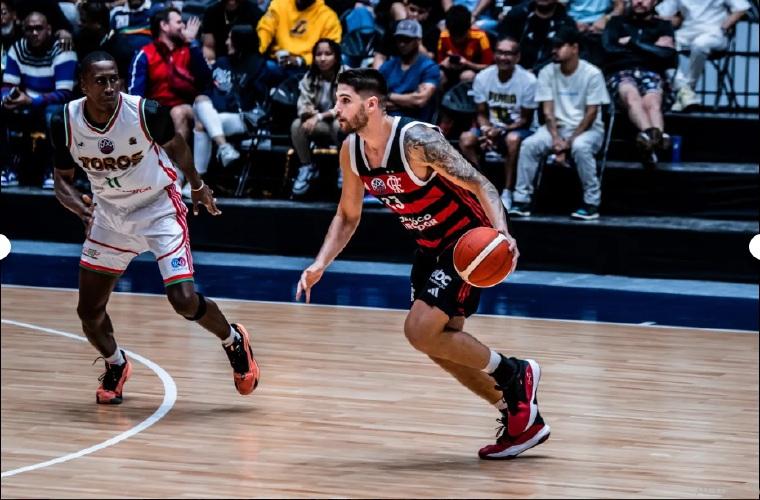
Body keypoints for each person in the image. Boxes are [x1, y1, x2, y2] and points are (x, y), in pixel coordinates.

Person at [296, 68, 550, 459]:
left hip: (466, 245)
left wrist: (502, 234)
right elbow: (347, 216)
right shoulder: (352, 151)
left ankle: (515, 372)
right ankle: (518, 416)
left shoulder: (416, 140)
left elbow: (481, 183)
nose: (337, 109)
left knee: (419, 331)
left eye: (344, 100)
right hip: (428, 248)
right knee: (440, 345)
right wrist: (320, 263)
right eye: (337, 100)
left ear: (371, 104)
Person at [50, 51, 260, 404]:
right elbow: (62, 181)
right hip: (109, 216)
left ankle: (233, 340)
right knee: (89, 311)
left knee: (184, 301)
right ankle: (116, 365)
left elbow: (177, 145)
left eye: (114, 79)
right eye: (100, 81)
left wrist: (197, 185)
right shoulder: (65, 121)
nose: (109, 87)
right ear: (83, 85)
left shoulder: (144, 111)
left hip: (158, 207)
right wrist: (81, 210)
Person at [511, 26, 610, 220]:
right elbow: (547, 111)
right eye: (553, 46)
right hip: (556, 129)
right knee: (530, 145)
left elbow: (591, 113)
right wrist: (556, 139)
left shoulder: (592, 73)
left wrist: (569, 142)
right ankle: (521, 200)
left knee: (581, 147)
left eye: (559, 46)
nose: (554, 50)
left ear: (574, 48)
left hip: (588, 130)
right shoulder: (547, 72)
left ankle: (591, 203)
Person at [458, 36, 536, 209]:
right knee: (466, 139)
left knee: (512, 139)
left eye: (508, 54)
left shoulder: (528, 80)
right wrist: (486, 129)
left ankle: (508, 191)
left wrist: (500, 130)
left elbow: (525, 119)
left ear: (517, 57)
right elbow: (481, 112)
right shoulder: (483, 77)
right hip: (492, 127)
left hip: (519, 129)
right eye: (500, 52)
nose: (503, 57)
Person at [602, 0, 677, 167]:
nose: (640, 2)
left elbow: (668, 56)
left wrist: (632, 43)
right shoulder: (616, 23)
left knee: (652, 102)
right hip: (621, 70)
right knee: (632, 95)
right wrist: (650, 48)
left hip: (651, 72)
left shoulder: (663, 26)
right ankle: (657, 139)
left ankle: (648, 142)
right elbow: (609, 50)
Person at [656, 0, 749, 111]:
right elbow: (664, 15)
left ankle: (687, 89)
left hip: (714, 33)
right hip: (686, 32)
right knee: (662, 46)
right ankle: (683, 90)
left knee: (700, 44)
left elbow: (742, 8)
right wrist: (675, 20)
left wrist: (724, 27)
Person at [290, 38, 347, 197]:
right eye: (318, 54)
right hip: (322, 123)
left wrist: (319, 116)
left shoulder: (347, 75)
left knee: (339, 125)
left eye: (328, 54)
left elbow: (344, 108)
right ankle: (307, 166)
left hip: (345, 124)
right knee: (297, 125)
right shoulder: (310, 77)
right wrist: (309, 113)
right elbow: (303, 105)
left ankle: (345, 168)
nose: (322, 58)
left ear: (336, 56)